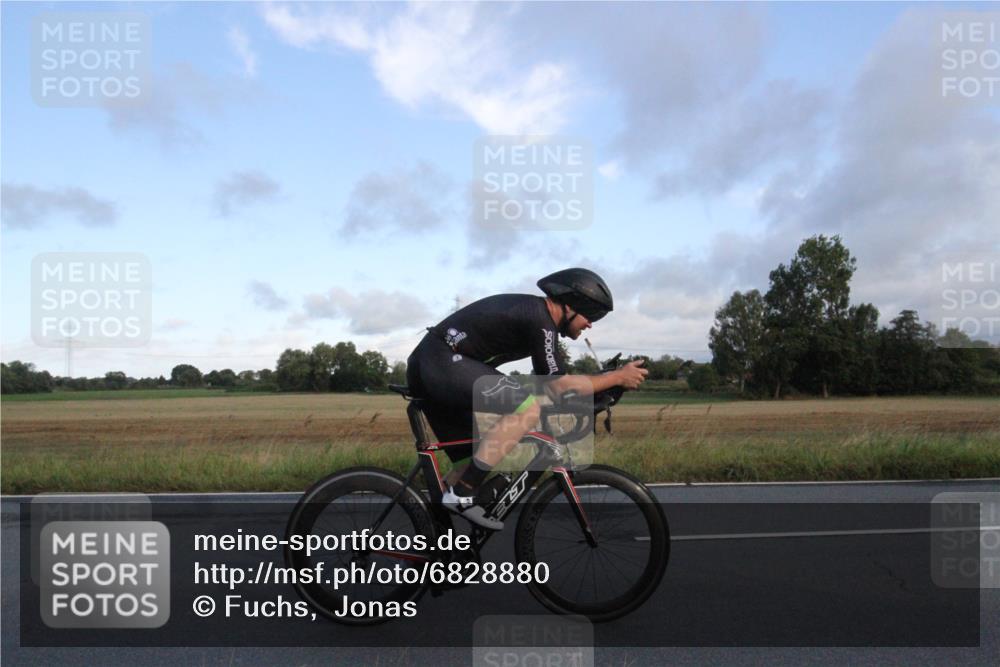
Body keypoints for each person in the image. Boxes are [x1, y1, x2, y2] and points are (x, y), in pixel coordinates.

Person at [406, 268, 648, 529]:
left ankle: (429, 548)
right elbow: (557, 386)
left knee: (473, 461)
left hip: (432, 364)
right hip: (441, 362)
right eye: (590, 316)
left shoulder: (536, 317)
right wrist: (617, 378)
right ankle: (463, 494)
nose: (590, 324)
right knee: (526, 410)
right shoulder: (541, 320)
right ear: (570, 306)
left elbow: (550, 384)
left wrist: (598, 389)